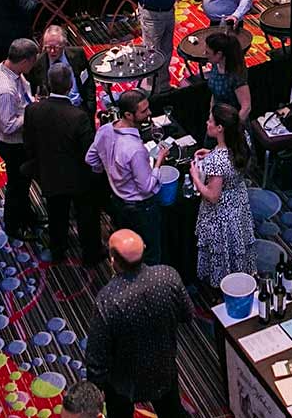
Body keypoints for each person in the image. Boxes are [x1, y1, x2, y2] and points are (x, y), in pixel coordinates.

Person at [86, 229, 192, 418]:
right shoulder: (168, 276)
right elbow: (187, 314)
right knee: (172, 412)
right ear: (144, 248)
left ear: (113, 261)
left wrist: (95, 389)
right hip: (163, 366)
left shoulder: (108, 300)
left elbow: (97, 355)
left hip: (124, 380)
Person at [25, 64, 102, 265]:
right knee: (87, 217)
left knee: (56, 215)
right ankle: (91, 257)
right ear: (70, 86)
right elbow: (89, 152)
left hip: (49, 175)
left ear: (48, 84)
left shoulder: (33, 110)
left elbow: (29, 143)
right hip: (79, 178)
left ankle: (58, 252)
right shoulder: (79, 116)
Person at [87, 91, 171, 264]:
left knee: (129, 250)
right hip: (142, 208)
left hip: (118, 201)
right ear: (128, 114)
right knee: (150, 252)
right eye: (144, 111)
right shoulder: (135, 149)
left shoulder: (105, 130)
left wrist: (111, 170)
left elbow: (91, 159)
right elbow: (147, 187)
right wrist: (158, 163)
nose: (149, 113)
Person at [190, 103, 256, 287]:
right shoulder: (243, 139)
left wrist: (195, 177)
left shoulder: (217, 161)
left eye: (210, 120)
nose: (207, 123)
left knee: (223, 248)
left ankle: (224, 286)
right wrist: (212, 153)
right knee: (238, 243)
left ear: (220, 128)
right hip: (239, 201)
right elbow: (230, 162)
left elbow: (212, 196)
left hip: (222, 212)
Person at [0, 38, 38, 241]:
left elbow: (24, 92)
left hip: (18, 140)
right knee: (17, 184)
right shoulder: (4, 90)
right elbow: (8, 126)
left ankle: (26, 215)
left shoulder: (9, 69)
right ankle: (13, 225)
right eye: (33, 61)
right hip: (13, 144)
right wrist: (32, 113)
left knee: (23, 183)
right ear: (24, 61)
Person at [204, 31, 251, 121]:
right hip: (217, 118)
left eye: (208, 52)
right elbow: (214, 94)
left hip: (232, 122)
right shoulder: (215, 65)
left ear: (219, 54)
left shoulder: (236, 76)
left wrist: (232, 128)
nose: (204, 54)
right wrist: (211, 115)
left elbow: (246, 107)